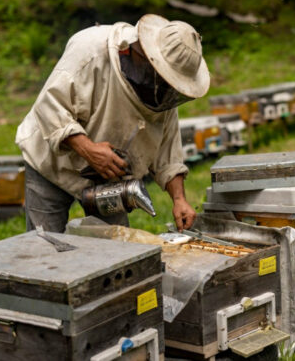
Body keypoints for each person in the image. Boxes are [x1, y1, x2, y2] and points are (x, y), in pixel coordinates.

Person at [15, 14, 209, 232]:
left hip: (109, 180)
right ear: (145, 57)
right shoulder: (90, 50)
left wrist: (179, 199)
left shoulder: (162, 92)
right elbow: (50, 106)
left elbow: (168, 150)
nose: (165, 87)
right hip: (51, 164)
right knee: (45, 244)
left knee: (116, 246)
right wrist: (89, 149)